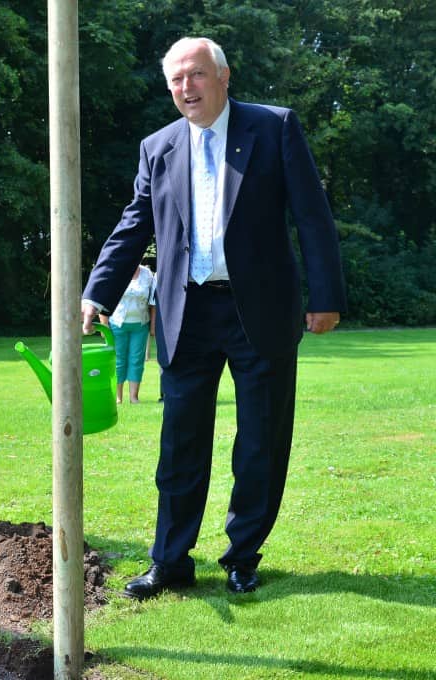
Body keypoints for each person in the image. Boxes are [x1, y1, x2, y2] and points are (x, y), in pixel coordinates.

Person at [82, 37, 346, 598]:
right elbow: (135, 224)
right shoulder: (158, 147)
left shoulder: (274, 129)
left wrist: (326, 297)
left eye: (196, 75)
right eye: (176, 80)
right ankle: (171, 561)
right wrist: (96, 293)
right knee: (179, 444)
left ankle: (242, 557)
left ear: (223, 76)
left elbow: (312, 217)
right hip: (187, 313)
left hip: (262, 313)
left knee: (259, 442)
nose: (186, 88)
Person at [98, 263, 156, 404]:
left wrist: (153, 326)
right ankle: (118, 398)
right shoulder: (115, 270)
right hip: (117, 324)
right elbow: (103, 299)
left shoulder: (147, 274)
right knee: (119, 361)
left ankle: (134, 397)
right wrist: (104, 325)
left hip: (141, 324)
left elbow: (153, 302)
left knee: (137, 360)